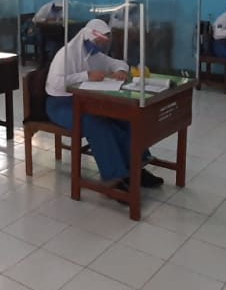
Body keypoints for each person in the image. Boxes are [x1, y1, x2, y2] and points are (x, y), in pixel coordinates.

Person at [46, 20, 163, 191]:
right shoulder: (66, 54)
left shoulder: (93, 55)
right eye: (99, 41)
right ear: (88, 37)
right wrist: (85, 75)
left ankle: (137, 168)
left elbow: (117, 63)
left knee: (126, 120)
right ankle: (114, 177)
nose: (101, 46)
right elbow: (55, 83)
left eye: (104, 42)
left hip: (86, 100)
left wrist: (121, 71)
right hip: (61, 103)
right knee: (98, 126)